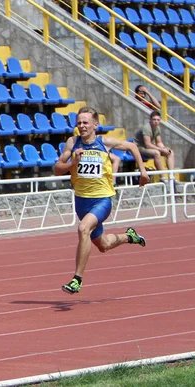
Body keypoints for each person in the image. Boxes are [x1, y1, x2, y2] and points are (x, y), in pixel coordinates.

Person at [55, 107, 150, 295]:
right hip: (81, 202)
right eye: (79, 122)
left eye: (85, 123)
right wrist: (72, 163)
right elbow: (57, 169)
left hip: (102, 200)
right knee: (103, 245)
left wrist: (143, 171)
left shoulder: (104, 142)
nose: (81, 126)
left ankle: (77, 279)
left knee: (83, 228)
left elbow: (131, 146)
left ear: (95, 125)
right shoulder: (72, 143)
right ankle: (129, 236)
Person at [134, 110, 175, 183]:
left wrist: (164, 149)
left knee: (170, 152)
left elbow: (159, 142)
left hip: (147, 147)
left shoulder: (157, 128)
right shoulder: (146, 128)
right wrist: (161, 150)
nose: (156, 121)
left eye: (158, 120)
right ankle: (162, 177)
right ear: (150, 120)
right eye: (154, 119)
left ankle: (172, 177)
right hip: (139, 147)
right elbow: (148, 144)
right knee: (157, 153)